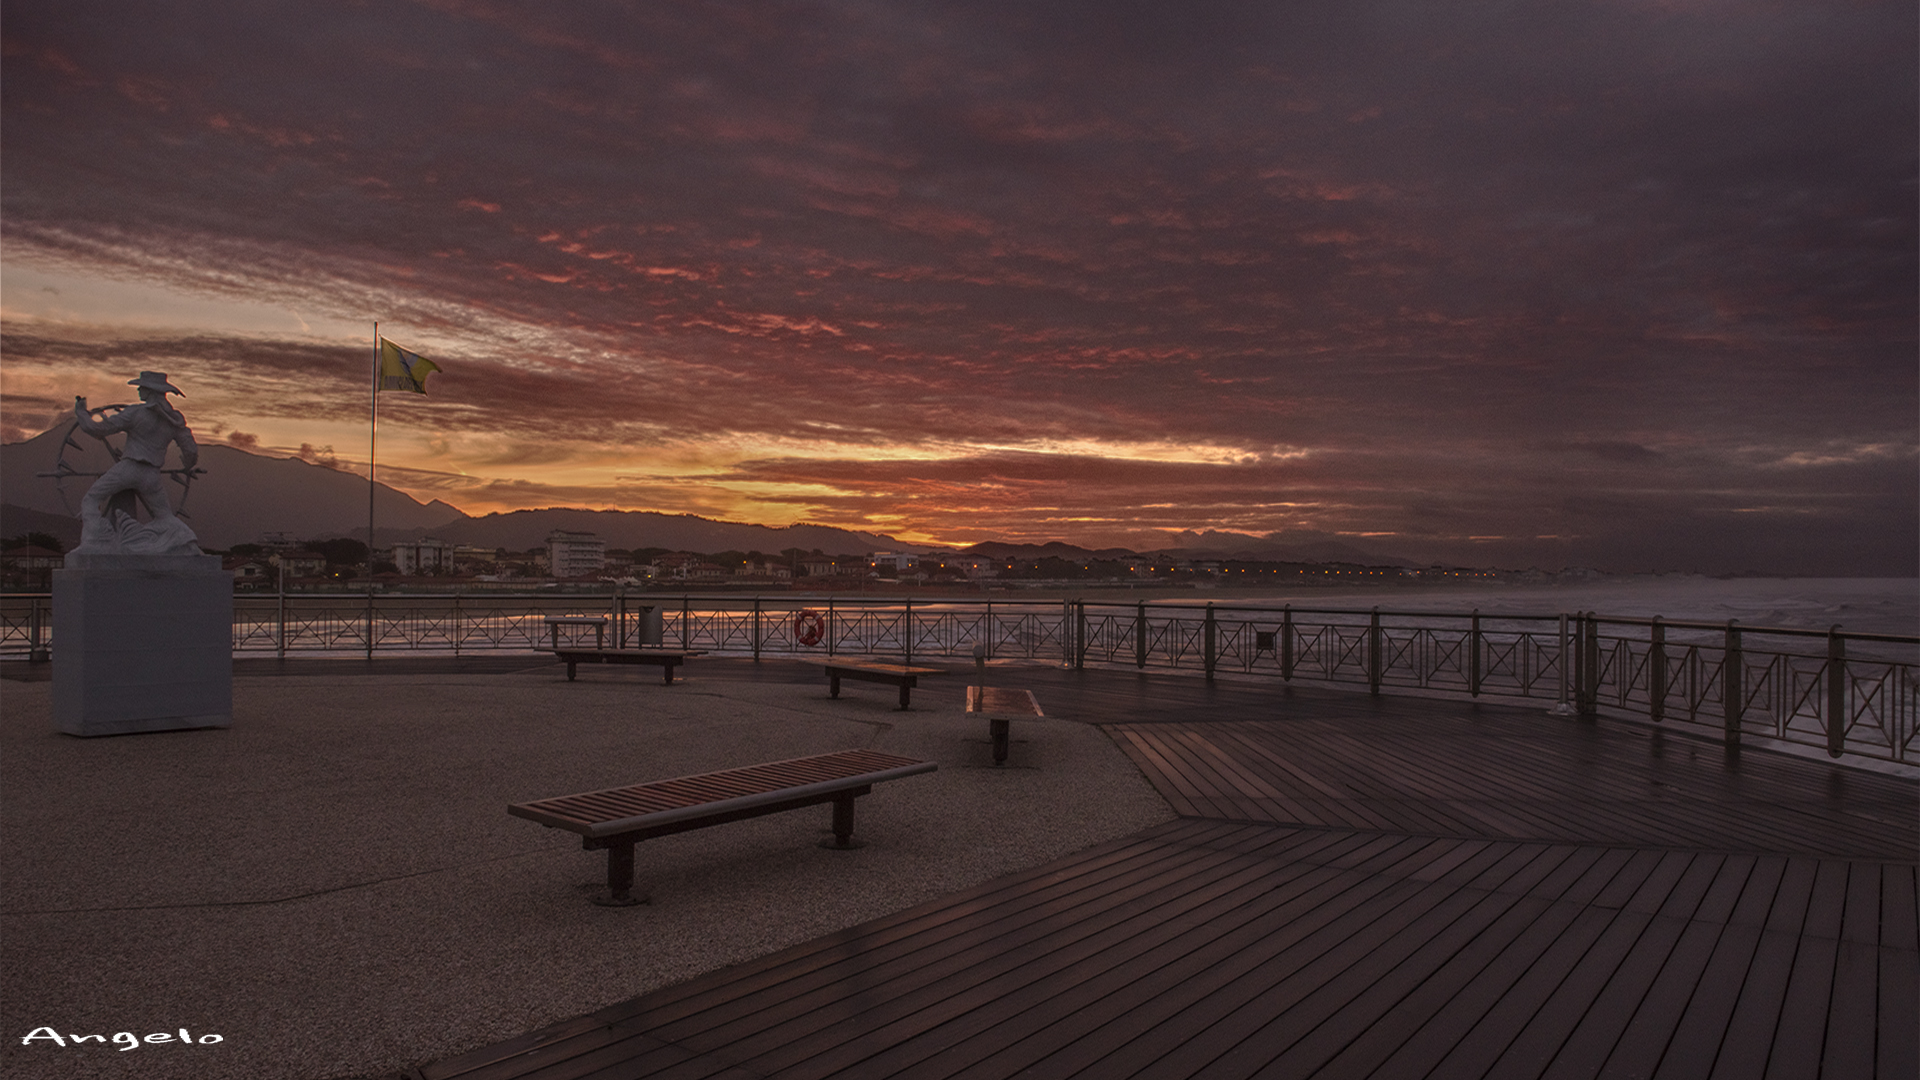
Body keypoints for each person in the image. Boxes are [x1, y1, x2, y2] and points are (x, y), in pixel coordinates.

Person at [72, 371, 201, 554]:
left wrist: (81, 413)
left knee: (91, 500)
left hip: (130, 468)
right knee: (164, 516)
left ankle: (95, 542)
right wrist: (187, 465)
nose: (139, 390)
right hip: (152, 475)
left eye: (142, 387)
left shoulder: (136, 413)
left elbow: (98, 430)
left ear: (149, 391)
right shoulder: (174, 421)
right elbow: (191, 451)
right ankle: (187, 542)